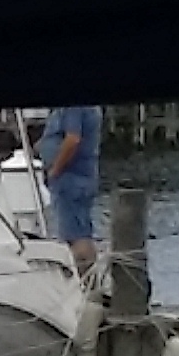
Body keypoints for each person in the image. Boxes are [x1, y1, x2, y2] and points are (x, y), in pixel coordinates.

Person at [35, 102, 105, 270]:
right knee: (80, 230)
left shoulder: (74, 107)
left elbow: (73, 139)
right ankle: (87, 276)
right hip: (79, 177)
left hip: (70, 178)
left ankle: (82, 277)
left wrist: (55, 169)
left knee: (74, 235)